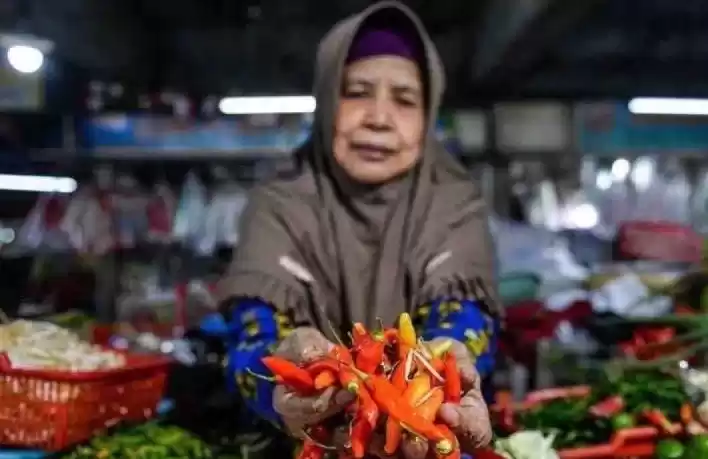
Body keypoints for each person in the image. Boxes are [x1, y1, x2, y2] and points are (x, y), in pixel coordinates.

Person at [211, 2, 501, 457]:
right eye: (356, 92)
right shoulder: (279, 204)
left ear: (429, 114)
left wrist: (448, 359)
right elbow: (253, 332)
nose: (379, 118)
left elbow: (463, 315)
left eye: (405, 99)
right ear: (326, 100)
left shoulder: (454, 204)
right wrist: (280, 384)